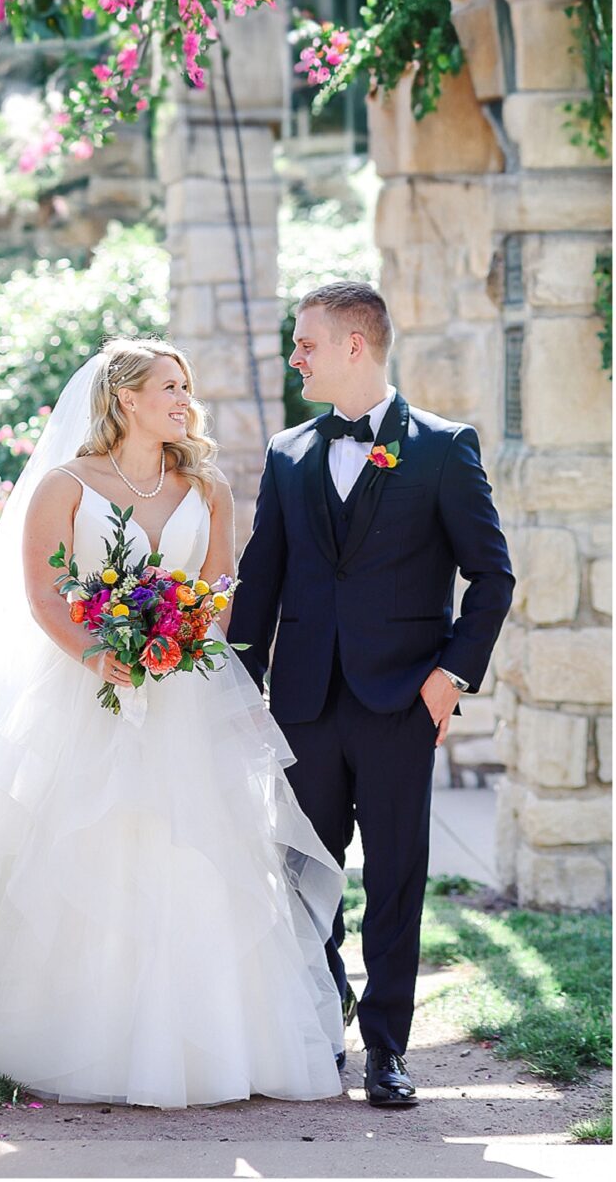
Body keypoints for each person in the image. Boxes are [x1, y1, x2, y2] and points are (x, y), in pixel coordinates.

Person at [0, 338, 348, 1107]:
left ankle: (210, 1039)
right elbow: (40, 592)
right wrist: (99, 656)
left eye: (185, 387)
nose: (182, 400)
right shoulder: (66, 483)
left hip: (185, 696)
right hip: (87, 694)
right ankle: (73, 1029)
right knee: (86, 848)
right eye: (169, 386)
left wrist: (184, 636)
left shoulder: (207, 488)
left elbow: (220, 590)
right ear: (124, 397)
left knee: (192, 851)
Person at [227, 283, 515, 1109]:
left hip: (401, 703)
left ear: (356, 344)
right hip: (305, 703)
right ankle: (320, 1025)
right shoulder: (287, 453)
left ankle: (388, 1048)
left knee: (396, 877)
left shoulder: (442, 447)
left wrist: (448, 675)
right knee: (305, 873)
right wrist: (243, 691)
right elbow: (260, 582)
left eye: (306, 343)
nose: (295, 357)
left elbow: (490, 575)